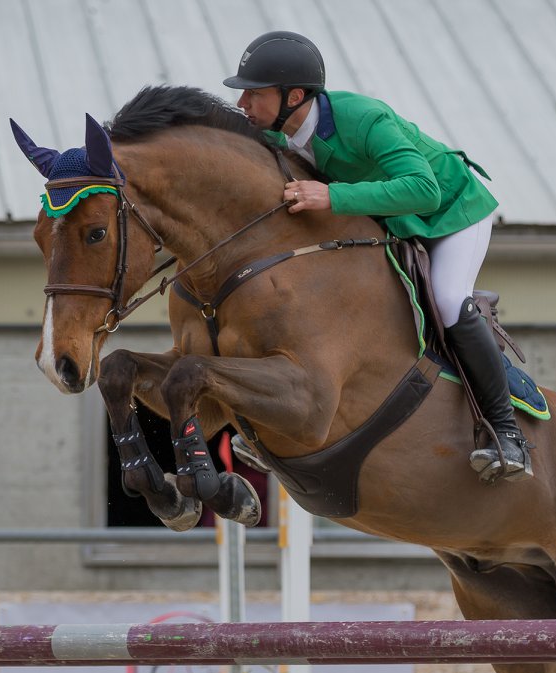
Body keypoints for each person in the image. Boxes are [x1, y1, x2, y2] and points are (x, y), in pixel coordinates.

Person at [224, 31, 530, 483]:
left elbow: (424, 189)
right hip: (391, 221)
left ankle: (507, 435)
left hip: (450, 211)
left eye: (254, 92)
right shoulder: (276, 134)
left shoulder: (362, 118)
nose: (242, 102)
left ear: (293, 96)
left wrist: (332, 196)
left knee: (447, 299)